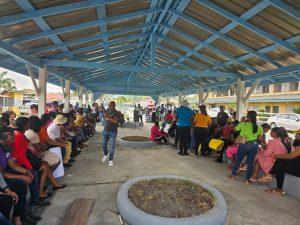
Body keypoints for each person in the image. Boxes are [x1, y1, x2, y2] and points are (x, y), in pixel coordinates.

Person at [228, 111, 263, 183]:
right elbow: (260, 139)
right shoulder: (259, 126)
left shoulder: (243, 124)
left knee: (238, 160)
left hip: (244, 144)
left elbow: (235, 130)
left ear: (248, 117)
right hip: (254, 145)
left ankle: (233, 176)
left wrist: (242, 122)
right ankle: (247, 180)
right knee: (250, 162)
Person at [101, 101, 120, 167]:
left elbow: (115, 121)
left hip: (113, 131)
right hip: (105, 130)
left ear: (115, 106)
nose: (110, 106)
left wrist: (108, 117)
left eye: (112, 105)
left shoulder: (117, 113)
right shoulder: (106, 111)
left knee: (111, 146)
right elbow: (104, 116)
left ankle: (110, 160)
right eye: (109, 105)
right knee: (103, 145)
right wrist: (105, 115)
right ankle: (106, 154)